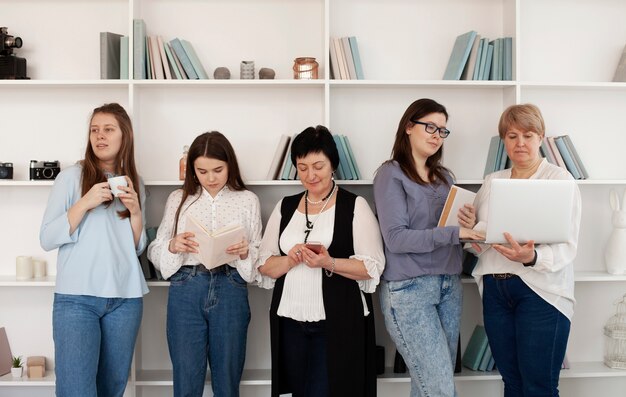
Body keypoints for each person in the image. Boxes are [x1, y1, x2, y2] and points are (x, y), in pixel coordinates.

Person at [257, 125, 385, 397]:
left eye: (318, 166)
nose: (310, 175)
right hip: (289, 321)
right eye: (302, 167)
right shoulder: (285, 206)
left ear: (333, 165)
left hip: (336, 323)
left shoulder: (354, 205)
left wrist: (329, 262)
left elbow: (372, 267)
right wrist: (290, 260)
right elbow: (264, 264)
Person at [469, 104, 582, 397]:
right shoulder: (493, 181)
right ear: (503, 140)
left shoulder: (560, 181)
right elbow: (480, 244)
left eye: (528, 135)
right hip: (496, 291)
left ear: (541, 138)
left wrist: (531, 257)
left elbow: (568, 245)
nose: (520, 143)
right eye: (512, 135)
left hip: (540, 292)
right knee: (513, 383)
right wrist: (470, 230)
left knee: (539, 387)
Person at [373, 98, 481, 397]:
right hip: (409, 291)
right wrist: (451, 233)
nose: (436, 135)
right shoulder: (390, 174)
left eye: (443, 131)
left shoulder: (445, 178)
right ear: (409, 127)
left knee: (428, 386)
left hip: (449, 285)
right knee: (440, 389)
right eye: (430, 126)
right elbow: (395, 238)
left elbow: (454, 231)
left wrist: (467, 221)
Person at [40, 103, 147, 397]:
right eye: (94, 130)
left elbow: (135, 248)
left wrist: (136, 212)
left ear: (124, 135)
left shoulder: (134, 183)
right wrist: (85, 202)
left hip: (125, 300)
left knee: (112, 389)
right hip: (77, 300)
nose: (100, 136)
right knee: (76, 389)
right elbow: (47, 237)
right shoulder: (70, 178)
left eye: (108, 130)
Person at [147, 131, 262, 397]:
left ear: (230, 165)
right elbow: (155, 249)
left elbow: (257, 256)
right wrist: (173, 245)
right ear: (192, 170)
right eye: (202, 171)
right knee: (186, 381)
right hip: (187, 287)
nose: (210, 178)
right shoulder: (178, 198)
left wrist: (245, 253)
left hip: (231, 287)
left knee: (227, 382)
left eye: (218, 170)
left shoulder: (247, 200)